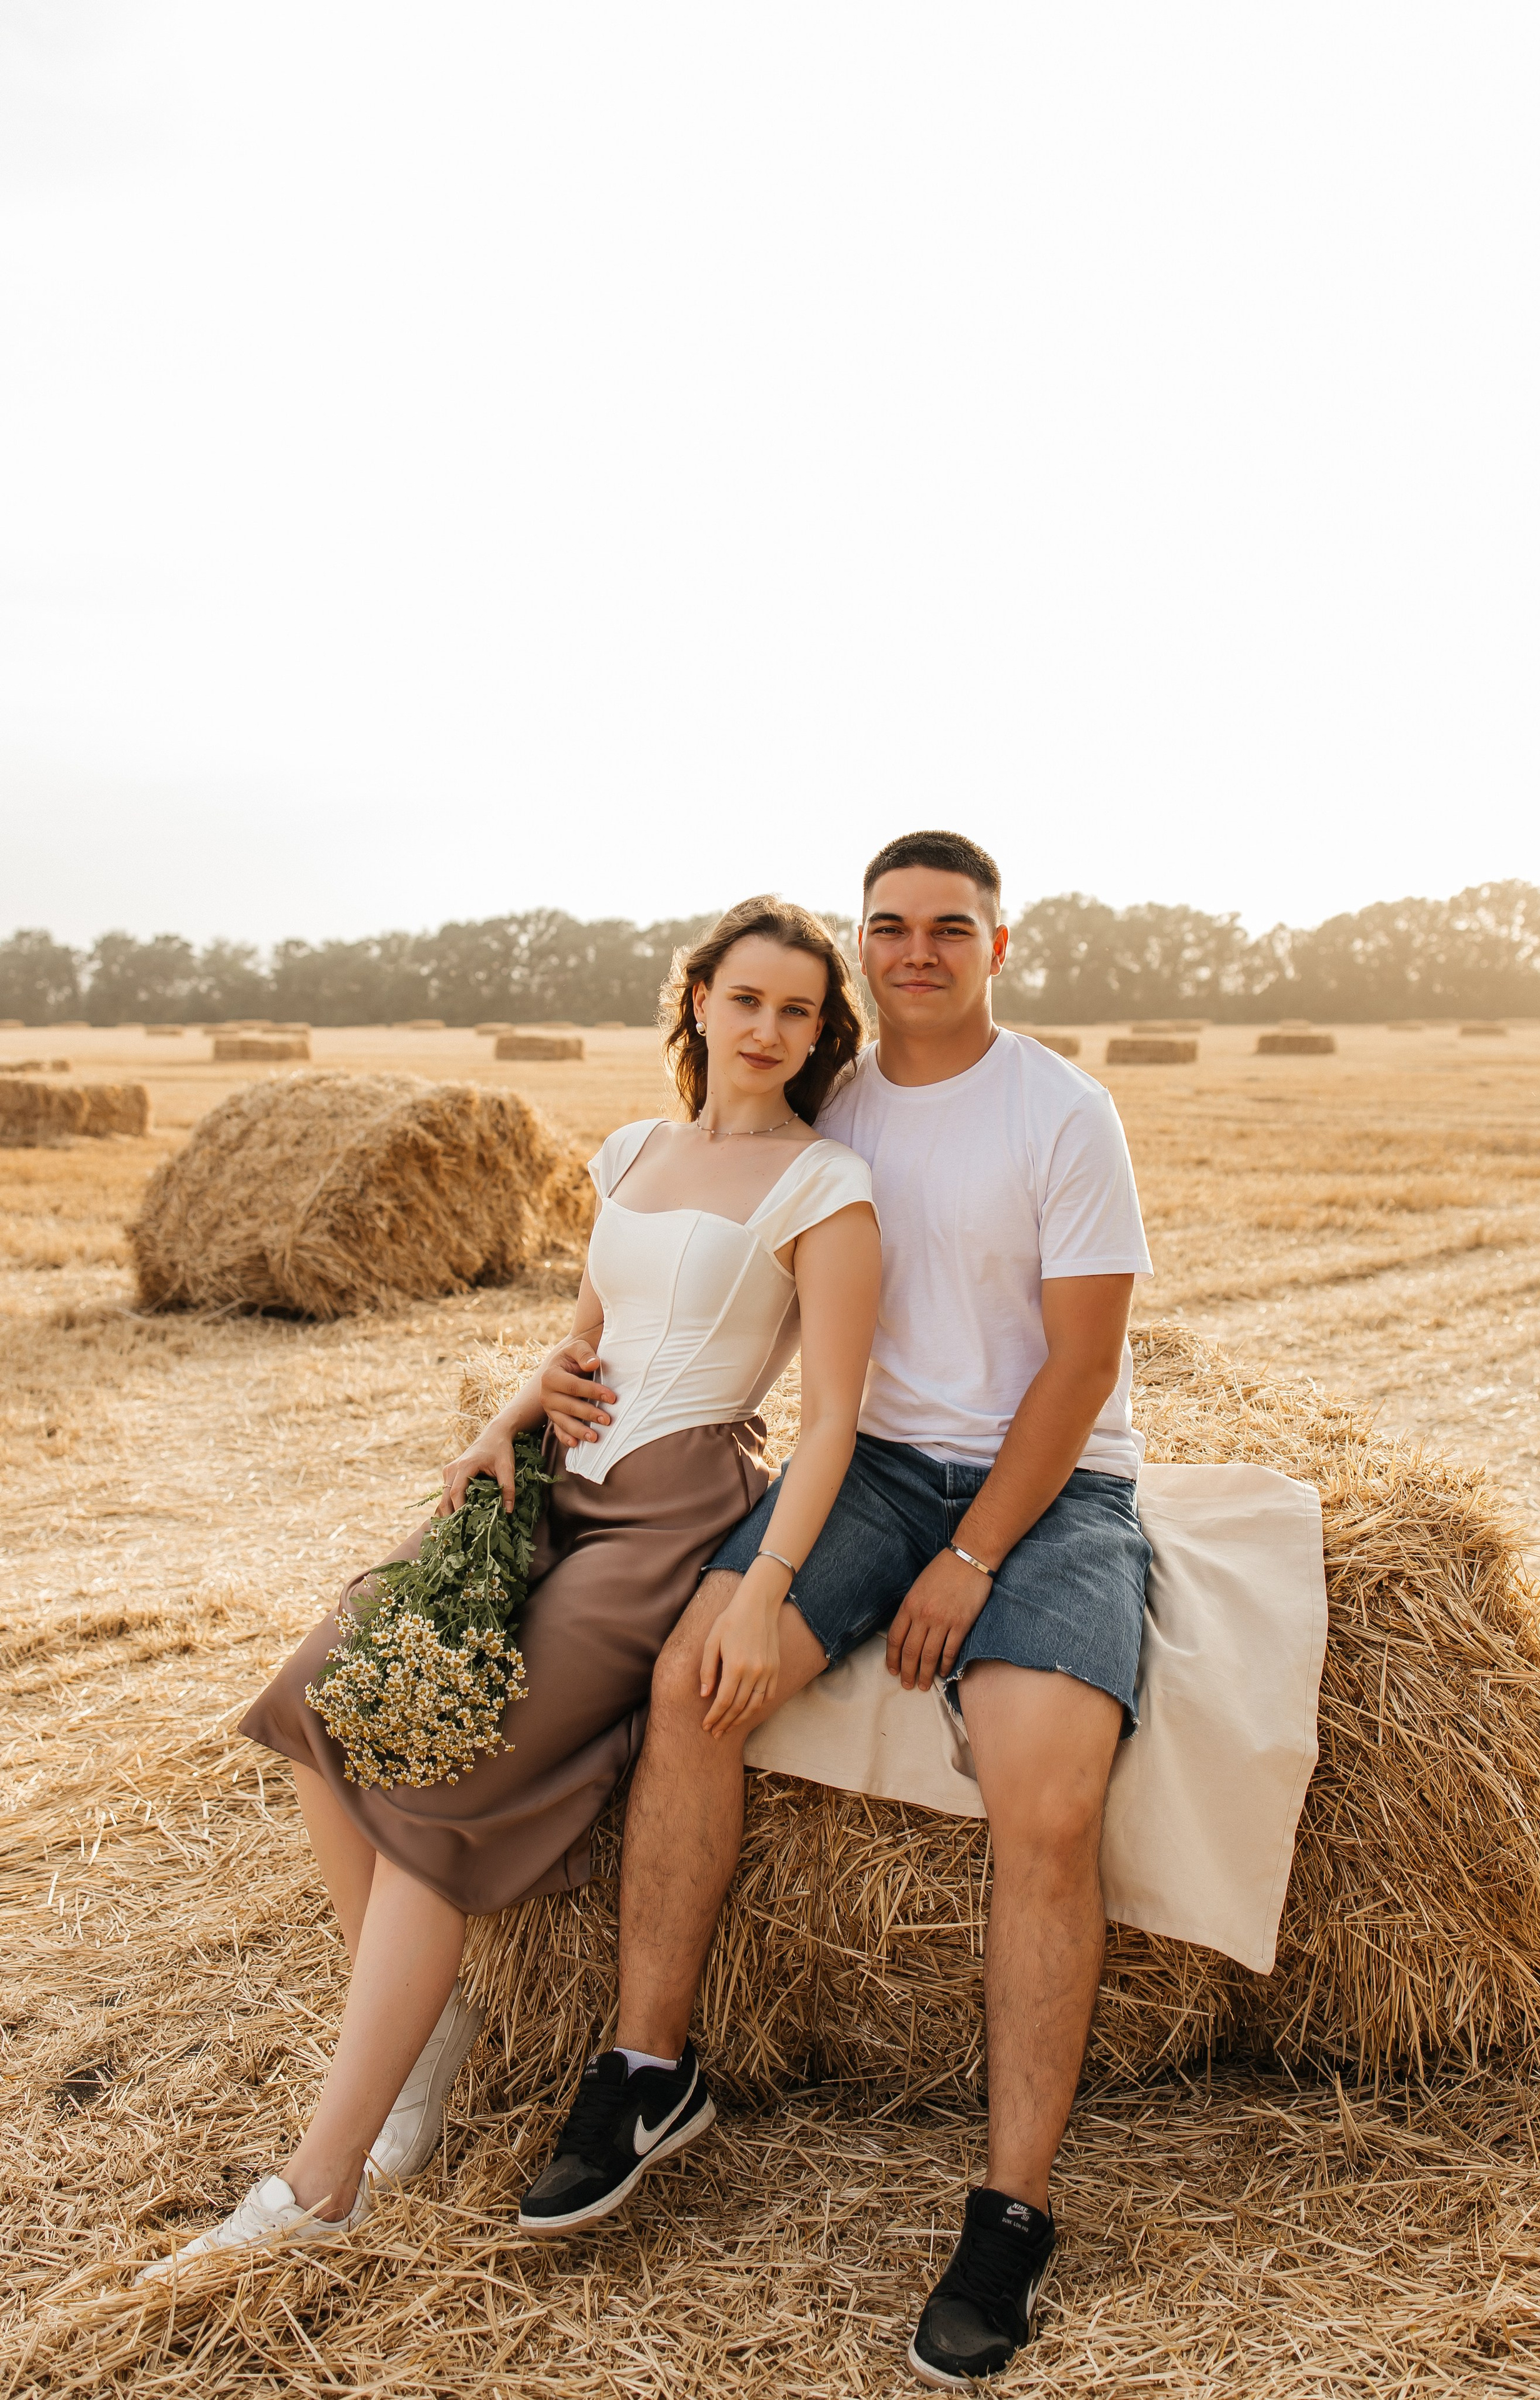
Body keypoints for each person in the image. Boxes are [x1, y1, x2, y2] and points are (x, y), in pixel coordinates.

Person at [136, 896, 880, 2281]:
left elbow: (831, 1414)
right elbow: (589, 1336)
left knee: (432, 1787)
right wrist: (508, 1414)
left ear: (819, 1031)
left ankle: (323, 2183)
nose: (769, 1028)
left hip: (671, 1522)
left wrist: (763, 1582)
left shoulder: (820, 1186)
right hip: (550, 1487)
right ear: (699, 1004)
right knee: (328, 1699)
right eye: (746, 999)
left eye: (798, 1010)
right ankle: (420, 2043)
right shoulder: (632, 1151)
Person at [519, 831, 1154, 2389]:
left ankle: (1009, 2215)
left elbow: (1075, 1373)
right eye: (889, 927)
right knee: (693, 1683)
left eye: (949, 927)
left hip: (1049, 1489)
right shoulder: (829, 1107)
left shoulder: (1064, 1113)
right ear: (860, 952)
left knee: (1045, 1794)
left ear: (1000, 946)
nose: (914, 950)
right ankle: (649, 2068)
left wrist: (972, 1558)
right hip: (869, 1473)